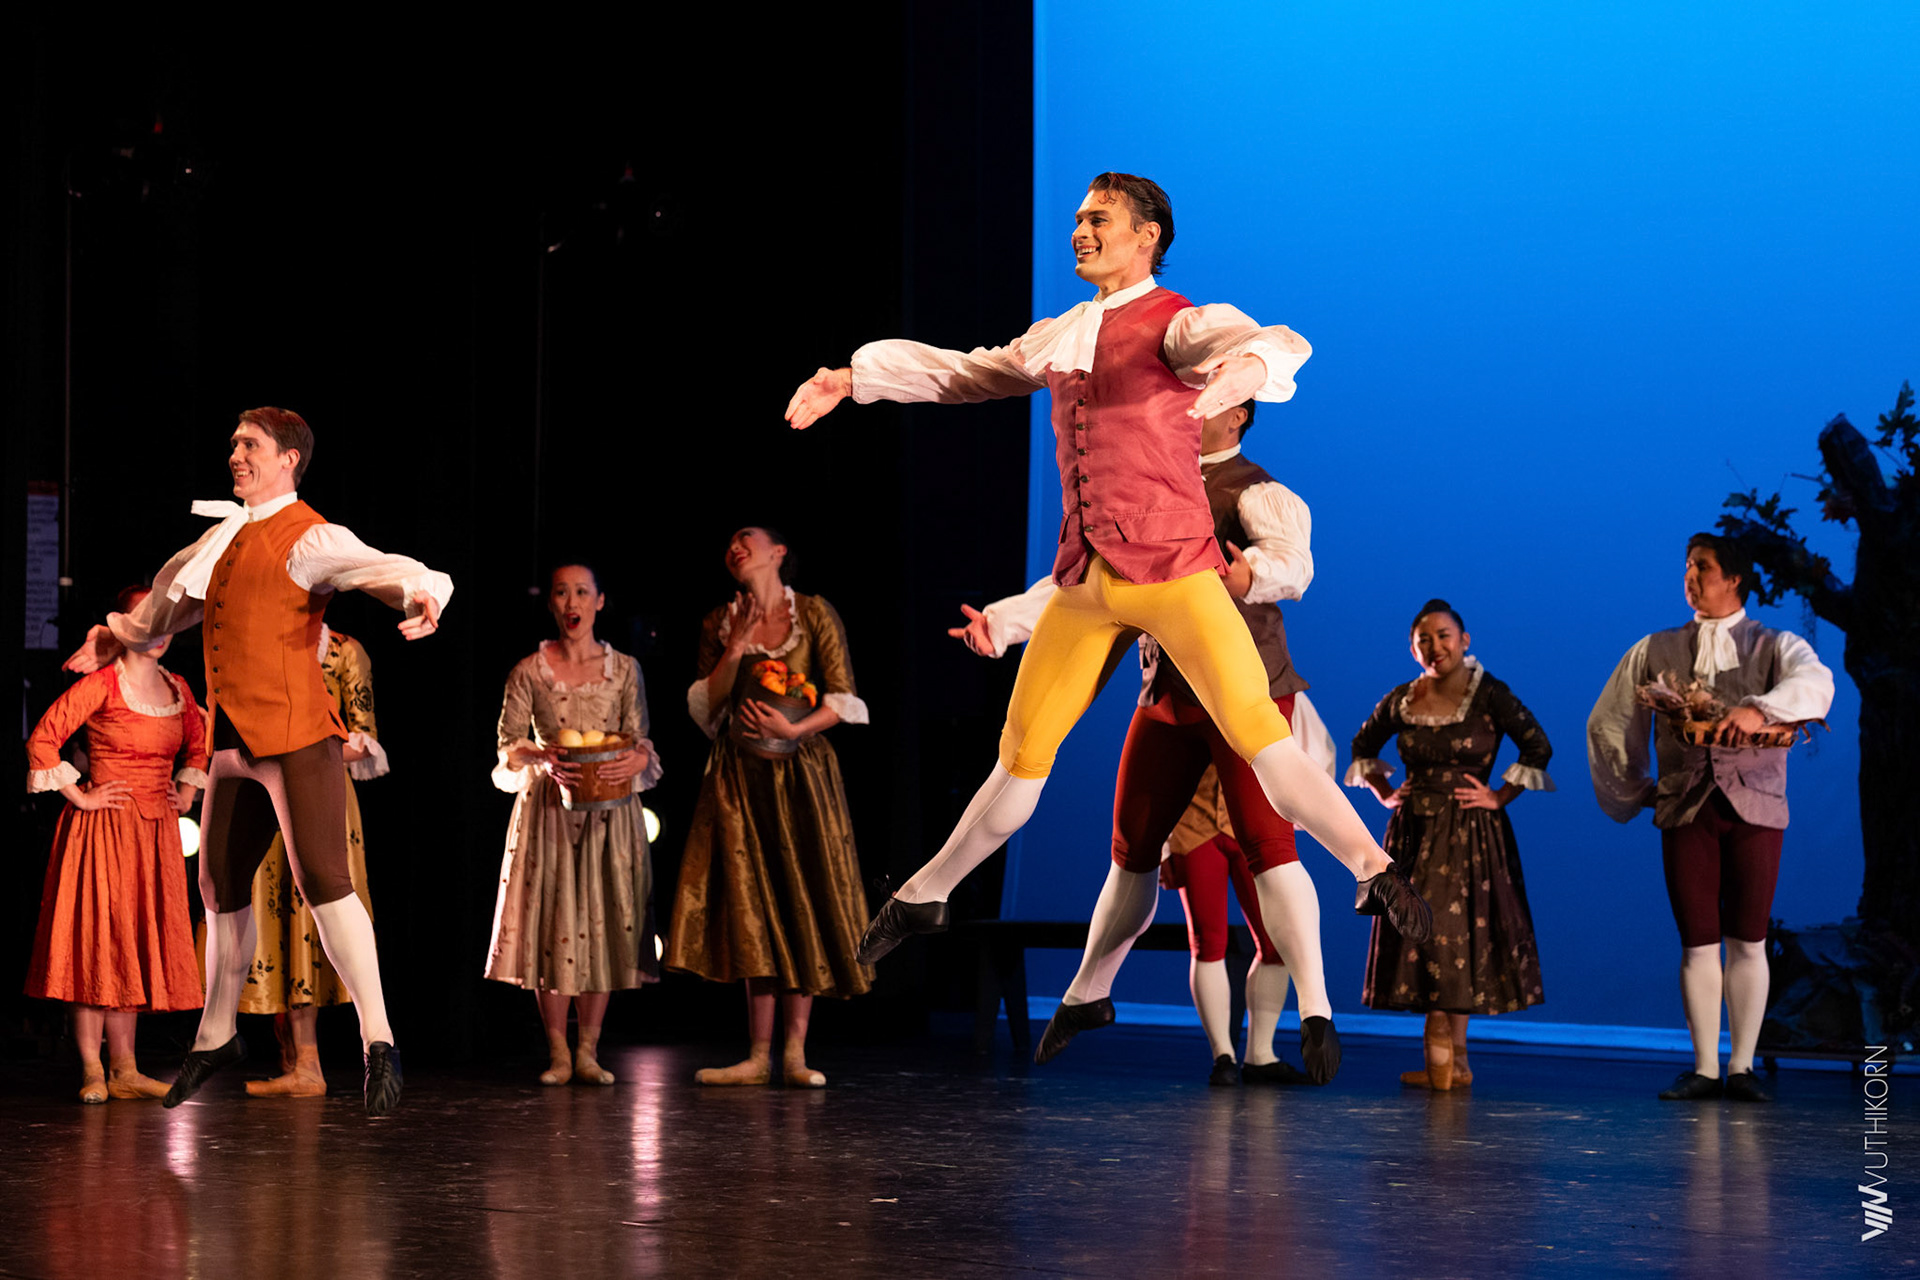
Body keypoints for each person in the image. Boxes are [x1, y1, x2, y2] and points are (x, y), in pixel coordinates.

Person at [786, 171, 1429, 972]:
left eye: (1099, 219)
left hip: (1176, 572)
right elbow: (968, 373)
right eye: (1078, 219)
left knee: (1263, 738)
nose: (1080, 232)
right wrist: (853, 380)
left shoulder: (1178, 324)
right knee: (1020, 760)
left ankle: (1374, 869)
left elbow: (1274, 340)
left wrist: (1247, 370)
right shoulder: (1062, 333)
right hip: (1087, 580)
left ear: (1147, 234)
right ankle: (925, 893)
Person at [64, 406, 452, 1116]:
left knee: (325, 882)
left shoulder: (311, 536)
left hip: (297, 734)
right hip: (233, 742)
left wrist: (424, 593)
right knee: (218, 886)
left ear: (288, 459)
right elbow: (165, 608)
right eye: (234, 444)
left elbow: (383, 567)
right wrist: (115, 634)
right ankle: (216, 1037)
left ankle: (379, 1039)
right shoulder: (223, 537)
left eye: (250, 445)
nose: (236, 455)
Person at [951, 399, 1344, 1083]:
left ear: (1238, 415)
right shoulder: (1149, 484)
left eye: (1208, 401)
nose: (1189, 410)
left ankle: (1313, 1012)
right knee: (1131, 850)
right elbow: (1083, 586)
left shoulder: (1252, 489)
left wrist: (1250, 573)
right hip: (1169, 696)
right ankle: (1089, 994)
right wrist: (1003, 622)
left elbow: (1292, 561)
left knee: (1269, 847)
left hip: (1244, 692)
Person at [1588, 533, 1834, 1103]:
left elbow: (1816, 684)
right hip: (1687, 808)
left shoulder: (1776, 644)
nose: (1691, 577)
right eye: (1688, 567)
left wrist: (1759, 710)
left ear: (1735, 578)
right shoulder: (1656, 648)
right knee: (1698, 940)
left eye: (1703, 567)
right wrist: (1636, 789)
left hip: (1756, 810)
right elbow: (1609, 722)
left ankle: (1742, 1067)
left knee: (1748, 937)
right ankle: (1704, 1067)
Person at [664, 527, 872, 1088]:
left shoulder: (814, 612)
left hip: (800, 775)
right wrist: (735, 646)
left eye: (747, 537)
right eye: (729, 541)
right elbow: (708, 708)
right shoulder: (720, 620)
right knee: (752, 904)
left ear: (779, 552)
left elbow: (844, 695)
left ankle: (796, 1054)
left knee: (799, 896)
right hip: (739, 778)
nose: (735, 546)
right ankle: (758, 1055)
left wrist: (795, 729)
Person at [1348, 600, 1555, 1090]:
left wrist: (1498, 796)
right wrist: (1385, 793)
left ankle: (1448, 1063)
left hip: (1469, 836)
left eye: (1443, 636)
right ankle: (1449, 1062)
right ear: (1412, 648)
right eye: (1423, 639)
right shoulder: (1404, 697)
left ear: (1465, 641)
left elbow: (1537, 745)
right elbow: (1363, 745)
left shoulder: (1489, 693)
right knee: (1431, 937)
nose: (1434, 646)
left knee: (1456, 940)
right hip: (1414, 835)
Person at [26, 585, 207, 1103]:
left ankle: (125, 1068)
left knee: (132, 941)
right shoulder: (103, 684)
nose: (159, 631)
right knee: (97, 942)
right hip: (103, 831)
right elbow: (43, 739)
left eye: (165, 620)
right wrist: (80, 796)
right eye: (147, 619)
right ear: (126, 628)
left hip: (154, 835)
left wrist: (186, 793)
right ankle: (92, 1068)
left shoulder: (178, 688)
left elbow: (199, 744)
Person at [487, 564, 660, 1086]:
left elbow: (639, 737)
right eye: (561, 592)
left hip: (611, 813)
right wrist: (541, 757)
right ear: (551, 604)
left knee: (603, 922)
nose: (571, 602)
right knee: (553, 924)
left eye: (581, 592)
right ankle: (559, 1053)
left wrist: (637, 759)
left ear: (599, 601)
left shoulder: (624, 668)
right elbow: (508, 745)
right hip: (550, 812)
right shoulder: (529, 670)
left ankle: (589, 1050)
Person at [237, 626, 386, 1098]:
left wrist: (300, 750)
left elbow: (363, 739)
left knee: (315, 913)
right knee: (271, 916)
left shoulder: (345, 651)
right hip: (268, 788)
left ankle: (311, 1060)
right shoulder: (260, 640)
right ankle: (296, 1059)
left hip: (319, 790)